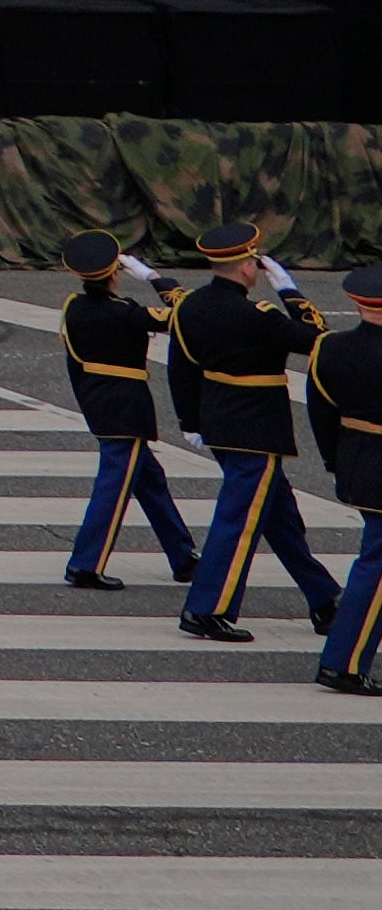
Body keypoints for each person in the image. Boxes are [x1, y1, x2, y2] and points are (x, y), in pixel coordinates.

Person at [172, 224, 346, 643]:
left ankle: (324, 600)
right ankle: (206, 608)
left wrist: (191, 422)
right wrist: (289, 291)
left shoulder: (190, 307)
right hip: (258, 430)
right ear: (249, 267)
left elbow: (181, 368)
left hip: (218, 424)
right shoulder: (261, 316)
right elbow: (317, 339)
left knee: (280, 520)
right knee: (238, 520)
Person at [56, 238, 203, 591]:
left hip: (97, 401)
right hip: (126, 408)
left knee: (150, 482)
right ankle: (85, 564)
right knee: (113, 487)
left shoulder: (73, 307)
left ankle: (182, 556)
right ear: (115, 275)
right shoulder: (124, 312)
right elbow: (187, 316)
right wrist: (155, 278)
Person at [310, 267, 382, 696]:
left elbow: (321, 414)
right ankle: (345, 662)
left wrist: (337, 461)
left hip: (356, 460)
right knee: (375, 567)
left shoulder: (331, 348)